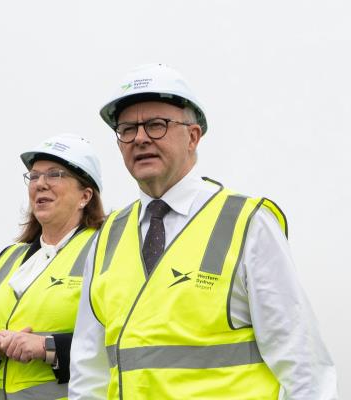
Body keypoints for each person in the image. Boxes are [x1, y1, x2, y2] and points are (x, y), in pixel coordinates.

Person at [69, 64, 338, 399]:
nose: (139, 138)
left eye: (156, 125)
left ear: (193, 136)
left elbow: (304, 365)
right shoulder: (107, 237)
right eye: (127, 129)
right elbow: (87, 372)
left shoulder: (248, 223)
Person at [0, 134, 105, 399]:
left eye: (55, 174)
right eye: (34, 176)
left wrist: (48, 347)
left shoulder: (105, 247)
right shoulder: (8, 257)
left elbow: (120, 336)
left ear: (85, 196)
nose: (41, 184)